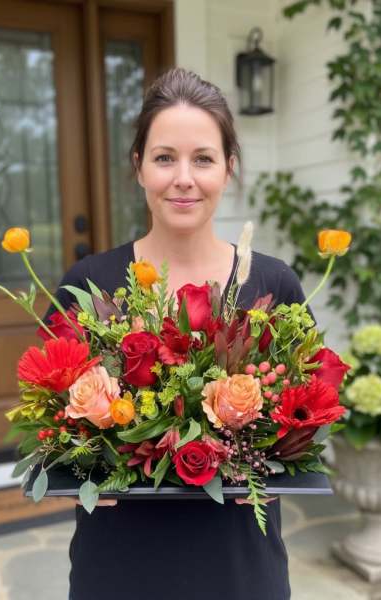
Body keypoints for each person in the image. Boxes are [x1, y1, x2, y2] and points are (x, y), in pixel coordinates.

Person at [47, 68, 311, 600]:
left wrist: (277, 465)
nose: (183, 178)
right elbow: (48, 419)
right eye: (165, 157)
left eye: (203, 159)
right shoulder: (89, 285)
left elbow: (310, 412)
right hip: (119, 565)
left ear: (229, 168)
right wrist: (74, 470)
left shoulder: (273, 284)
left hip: (238, 567)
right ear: (138, 167)